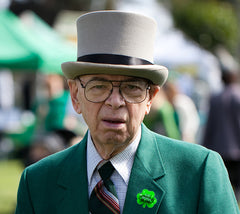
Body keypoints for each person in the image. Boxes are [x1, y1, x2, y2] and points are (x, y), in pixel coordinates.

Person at [15, 11, 239, 214]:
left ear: (150, 98)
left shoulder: (198, 172)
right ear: (75, 96)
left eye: (132, 88)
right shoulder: (37, 182)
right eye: (99, 86)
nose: (115, 102)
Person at [202, 64, 240, 201]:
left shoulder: (215, 98)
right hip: (237, 150)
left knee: (224, 186)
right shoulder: (237, 96)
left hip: (219, 149)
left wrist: (205, 146)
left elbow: (209, 126)